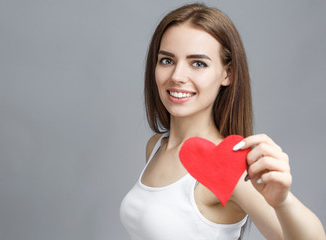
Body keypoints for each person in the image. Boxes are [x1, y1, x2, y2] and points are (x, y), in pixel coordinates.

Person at [120, 3, 326, 240]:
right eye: (167, 60)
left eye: (198, 63)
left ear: (227, 74)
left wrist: (283, 202)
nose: (177, 76)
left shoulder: (229, 164)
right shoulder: (156, 146)